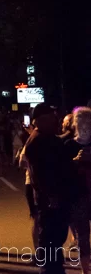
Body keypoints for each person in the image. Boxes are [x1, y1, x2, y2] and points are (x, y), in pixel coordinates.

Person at [24, 103, 77, 274]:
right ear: (40, 120)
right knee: (51, 237)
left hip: (54, 197)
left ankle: (55, 267)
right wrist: (51, 196)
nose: (55, 119)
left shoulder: (45, 137)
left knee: (55, 238)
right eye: (51, 116)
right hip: (50, 200)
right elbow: (39, 175)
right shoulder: (37, 141)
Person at [65, 107, 91, 274]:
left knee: (82, 235)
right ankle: (85, 269)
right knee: (82, 235)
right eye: (81, 121)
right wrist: (74, 162)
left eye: (87, 121)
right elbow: (61, 171)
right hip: (78, 195)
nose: (84, 125)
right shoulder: (68, 145)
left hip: (82, 195)